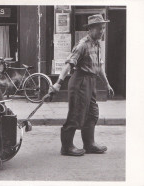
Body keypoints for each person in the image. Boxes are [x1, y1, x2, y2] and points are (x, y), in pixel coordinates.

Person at [49, 14, 114, 156]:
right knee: (76, 114)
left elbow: (99, 67)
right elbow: (68, 64)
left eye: (103, 28)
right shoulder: (82, 45)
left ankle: (89, 144)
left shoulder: (97, 44)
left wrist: (107, 84)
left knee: (93, 113)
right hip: (80, 82)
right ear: (90, 29)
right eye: (99, 28)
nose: (102, 31)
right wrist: (59, 83)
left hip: (91, 81)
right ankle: (66, 147)